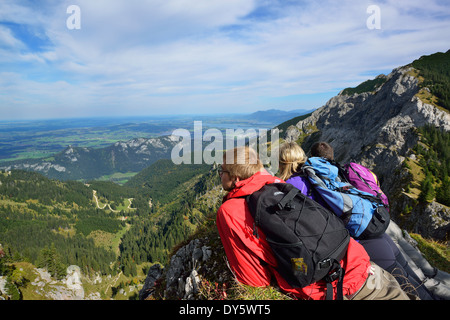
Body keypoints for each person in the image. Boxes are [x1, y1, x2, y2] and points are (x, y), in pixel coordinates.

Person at [216, 145, 412, 300]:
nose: (220, 174)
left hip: (340, 290)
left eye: (221, 171)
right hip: (365, 266)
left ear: (234, 178)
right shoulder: (279, 184)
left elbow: (253, 279)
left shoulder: (230, 211)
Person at [281, 141, 432, 300]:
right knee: (417, 284)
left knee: (409, 291)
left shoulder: (292, 186)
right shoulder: (332, 170)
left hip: (363, 243)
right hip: (378, 233)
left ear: (282, 162)